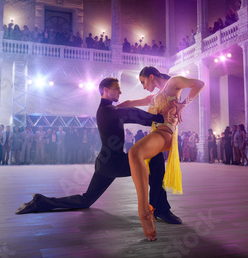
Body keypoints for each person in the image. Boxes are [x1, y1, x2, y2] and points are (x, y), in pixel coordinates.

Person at [15, 78, 182, 234]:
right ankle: (160, 209)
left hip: (105, 163)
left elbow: (135, 117)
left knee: (85, 200)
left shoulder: (111, 111)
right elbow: (132, 113)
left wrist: (156, 119)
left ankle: (40, 201)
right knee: (156, 160)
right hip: (113, 163)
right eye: (117, 89)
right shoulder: (107, 110)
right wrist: (159, 117)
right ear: (105, 90)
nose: (120, 92)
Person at [117, 66, 204, 241]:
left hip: (165, 134)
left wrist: (183, 105)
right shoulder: (154, 96)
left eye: (143, 82)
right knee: (155, 176)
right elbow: (130, 103)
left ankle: (144, 210)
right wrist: (112, 108)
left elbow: (199, 83)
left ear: (151, 76)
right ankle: (159, 209)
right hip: (154, 136)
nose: (143, 86)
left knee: (135, 153)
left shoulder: (173, 83)